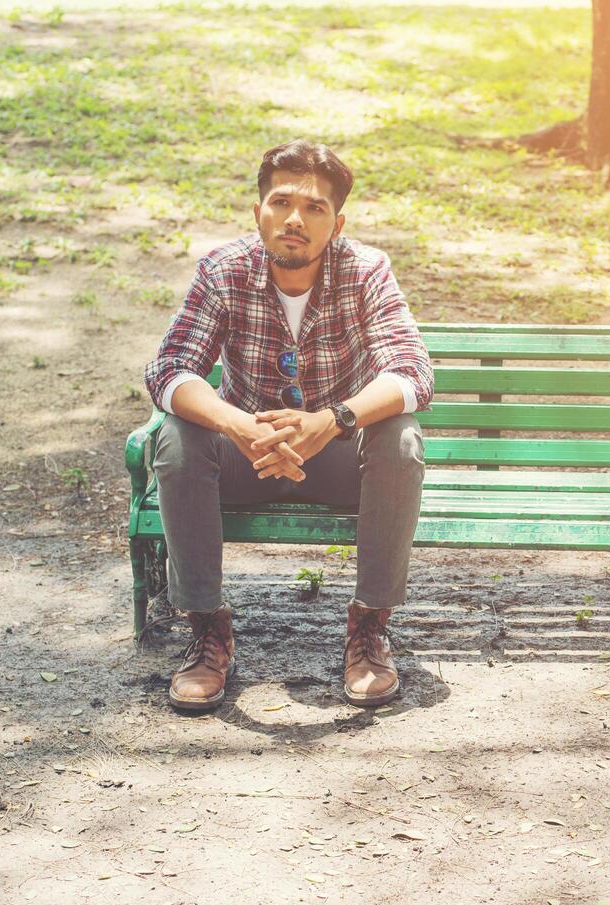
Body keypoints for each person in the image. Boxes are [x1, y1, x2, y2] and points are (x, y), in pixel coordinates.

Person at [143, 139, 432, 712]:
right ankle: (207, 630)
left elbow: (412, 372)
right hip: (244, 457)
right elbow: (169, 368)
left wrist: (333, 420)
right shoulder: (224, 269)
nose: (294, 219)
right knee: (177, 440)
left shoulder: (366, 270)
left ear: (336, 224)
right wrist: (238, 425)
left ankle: (369, 627)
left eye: (315, 208)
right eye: (280, 203)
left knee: (400, 439)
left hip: (334, 459)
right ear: (259, 213)